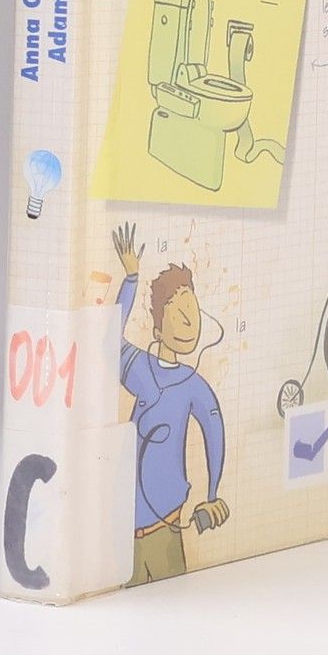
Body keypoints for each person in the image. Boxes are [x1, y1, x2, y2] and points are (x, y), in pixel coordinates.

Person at [111, 222, 228, 587]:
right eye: (180, 312)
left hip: (167, 529)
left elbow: (214, 432)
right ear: (158, 327)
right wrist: (131, 279)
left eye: (193, 310)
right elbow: (109, 339)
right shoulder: (139, 368)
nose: (190, 321)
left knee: (173, 601)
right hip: (125, 532)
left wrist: (212, 496)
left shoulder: (194, 386)